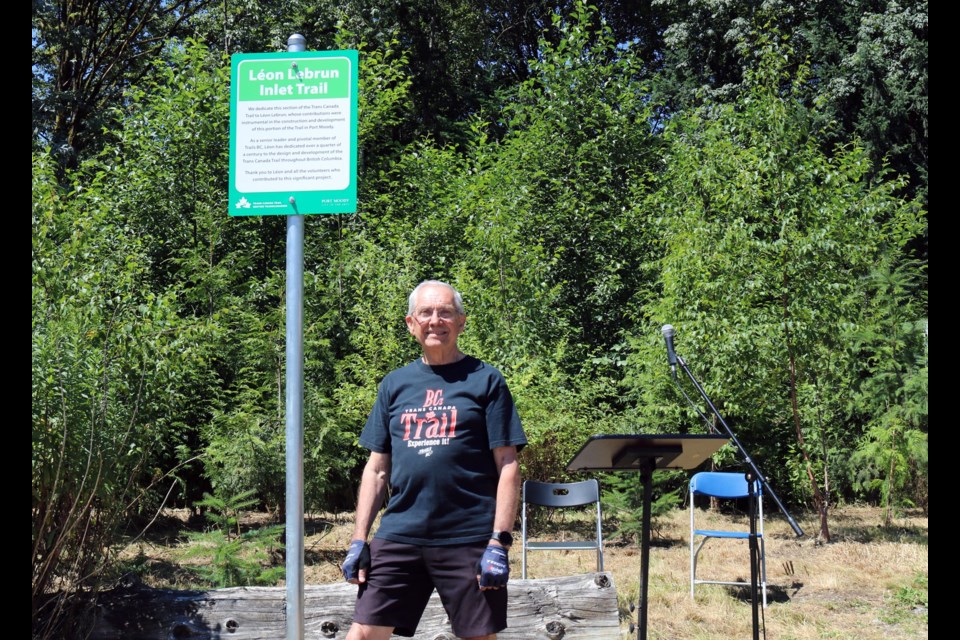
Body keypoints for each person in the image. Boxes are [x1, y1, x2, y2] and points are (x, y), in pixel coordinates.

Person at [341, 280, 527, 640]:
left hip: (468, 534)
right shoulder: (394, 384)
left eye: (445, 312)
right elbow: (377, 469)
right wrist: (359, 539)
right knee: (362, 633)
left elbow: (508, 464)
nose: (435, 320)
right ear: (411, 323)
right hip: (400, 532)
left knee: (478, 636)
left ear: (461, 322)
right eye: (426, 312)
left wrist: (499, 542)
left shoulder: (486, 380)